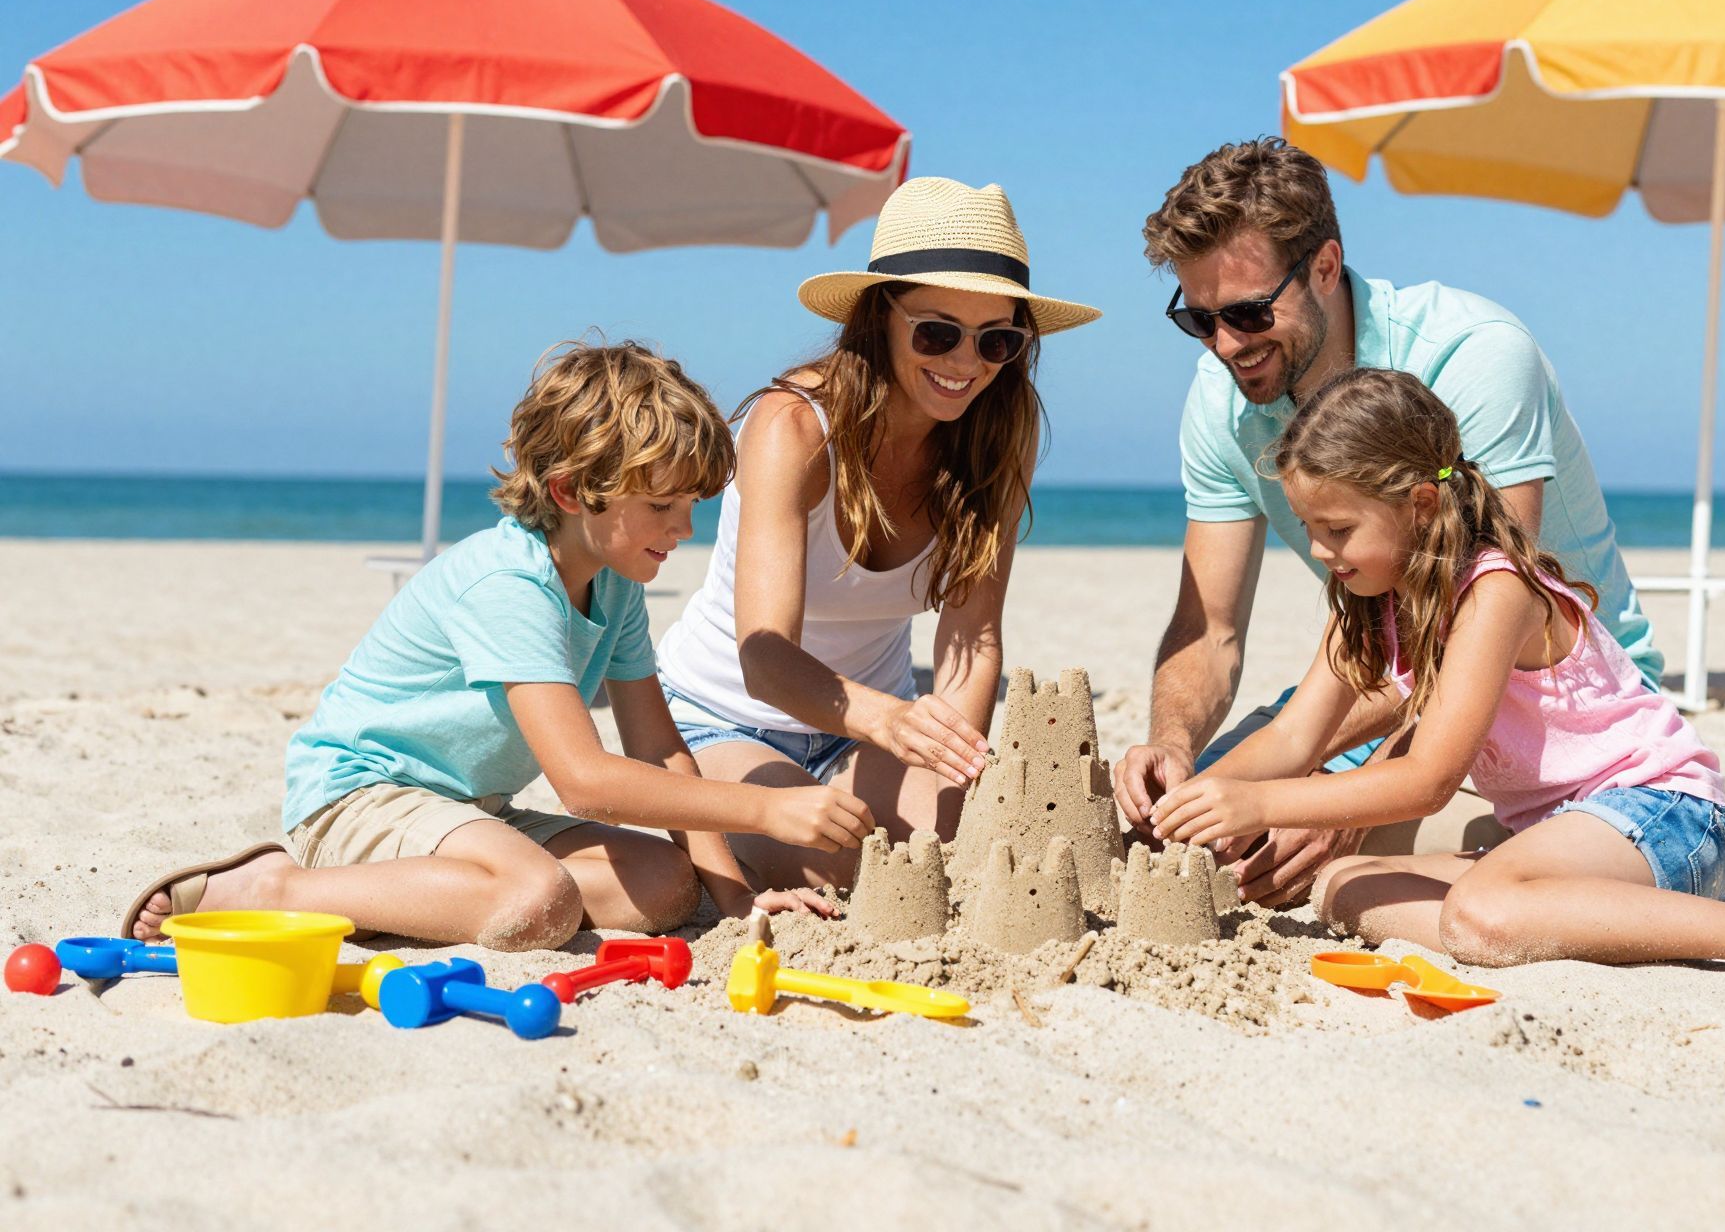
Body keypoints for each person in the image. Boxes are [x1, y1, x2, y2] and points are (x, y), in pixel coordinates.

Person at [1152, 368, 1725, 990]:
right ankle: (1535, 913)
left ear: (1421, 504)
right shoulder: (1371, 601)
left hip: (1663, 816)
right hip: (1556, 837)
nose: (1319, 550)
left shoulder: (1494, 591)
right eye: (1309, 527)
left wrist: (1257, 803)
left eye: (1338, 529)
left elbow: (1429, 780)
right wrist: (1180, 806)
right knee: (1343, 885)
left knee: (1481, 915)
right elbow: (1293, 737)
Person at [124, 339, 863, 950]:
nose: (684, 529)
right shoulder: (508, 582)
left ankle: (433, 891)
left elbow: (660, 752)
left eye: (693, 505)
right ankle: (272, 887)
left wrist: (735, 900)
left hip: (468, 808)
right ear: (571, 492)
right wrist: (762, 811)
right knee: (537, 901)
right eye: (661, 505)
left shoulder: (614, 582)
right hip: (362, 795)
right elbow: (585, 782)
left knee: (666, 885)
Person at [1114, 137, 1660, 908]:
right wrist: (1174, 748)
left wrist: (1344, 805)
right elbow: (1210, 630)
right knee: (1183, 834)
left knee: (1313, 859)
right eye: (1198, 320)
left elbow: (1474, 636)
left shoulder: (1475, 356)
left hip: (1556, 715)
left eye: (1248, 312)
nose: (1226, 345)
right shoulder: (1220, 398)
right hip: (1392, 683)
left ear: (1325, 267)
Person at [655, 177, 1100, 897]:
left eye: (997, 340)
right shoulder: (794, 426)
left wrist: (953, 777)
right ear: (878, 316)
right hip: (725, 717)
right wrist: (890, 721)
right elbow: (764, 657)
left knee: (958, 849)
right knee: (849, 867)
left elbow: (973, 640)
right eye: (937, 333)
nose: (966, 363)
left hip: (865, 731)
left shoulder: (998, 437)